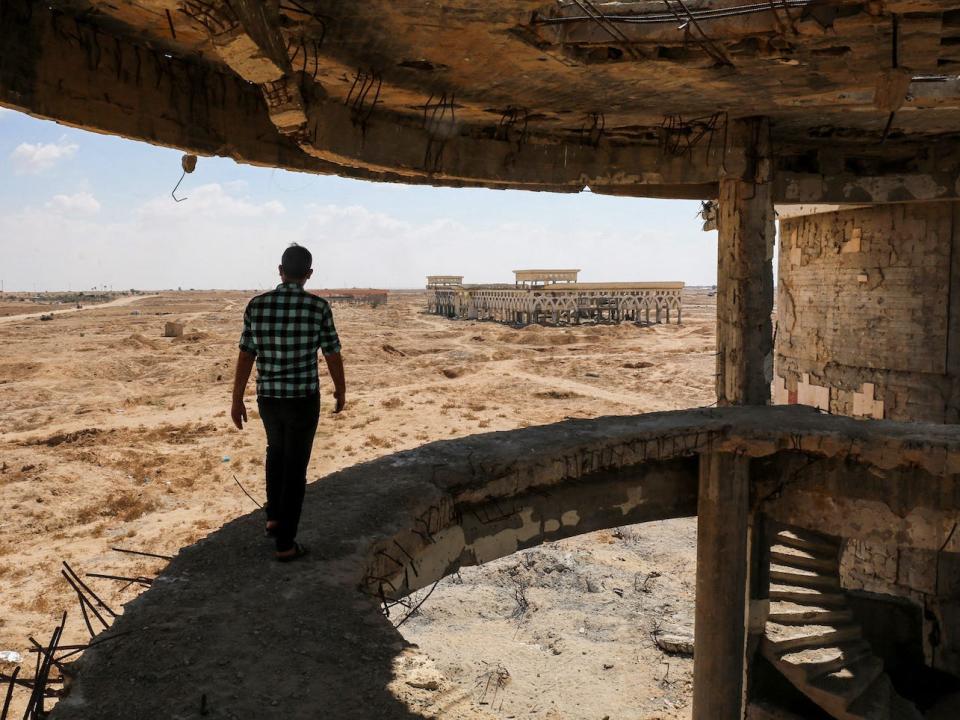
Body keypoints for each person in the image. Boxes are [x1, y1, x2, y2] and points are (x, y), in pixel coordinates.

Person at [230, 244, 346, 562]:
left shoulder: (257, 305)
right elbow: (332, 353)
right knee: (295, 468)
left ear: (279, 271)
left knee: (276, 454)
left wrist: (237, 398)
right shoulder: (318, 307)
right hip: (303, 399)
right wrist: (341, 390)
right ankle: (286, 544)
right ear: (308, 274)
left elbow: (246, 353)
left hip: (269, 398)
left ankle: (273, 518)